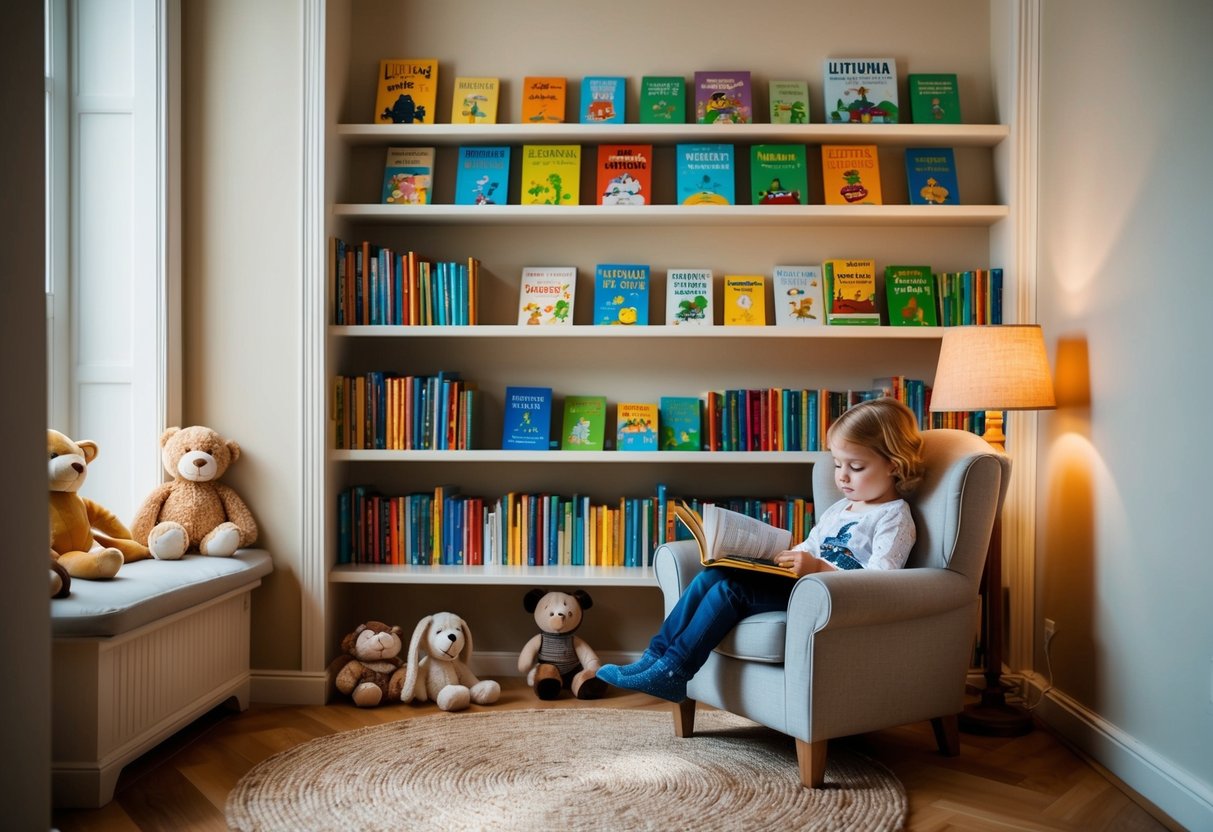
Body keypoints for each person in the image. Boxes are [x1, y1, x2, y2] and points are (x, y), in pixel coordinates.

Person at [596, 397, 926, 702]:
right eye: (838, 465)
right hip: (800, 584)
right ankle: (654, 658)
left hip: (828, 599)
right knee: (713, 575)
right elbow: (810, 546)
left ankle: (674, 672)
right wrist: (774, 558)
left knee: (730, 591)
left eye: (855, 467)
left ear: (894, 465)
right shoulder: (841, 508)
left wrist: (818, 568)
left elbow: (882, 583)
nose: (842, 477)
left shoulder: (894, 517)